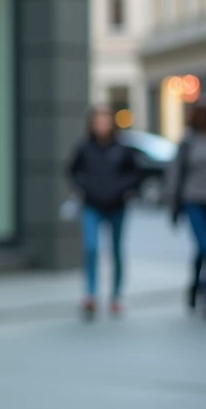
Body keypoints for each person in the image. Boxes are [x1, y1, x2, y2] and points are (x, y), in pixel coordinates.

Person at [67, 105, 143, 320]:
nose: (101, 124)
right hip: (92, 205)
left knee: (116, 250)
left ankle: (116, 296)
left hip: (117, 206)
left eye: (105, 120)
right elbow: (73, 172)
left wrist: (122, 189)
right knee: (91, 247)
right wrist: (86, 187)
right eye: (98, 120)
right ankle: (90, 295)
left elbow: (135, 174)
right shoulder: (85, 148)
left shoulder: (122, 148)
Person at [165, 96, 206, 322]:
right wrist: (173, 205)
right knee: (204, 246)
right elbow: (175, 176)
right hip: (194, 199)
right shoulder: (187, 142)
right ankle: (196, 286)